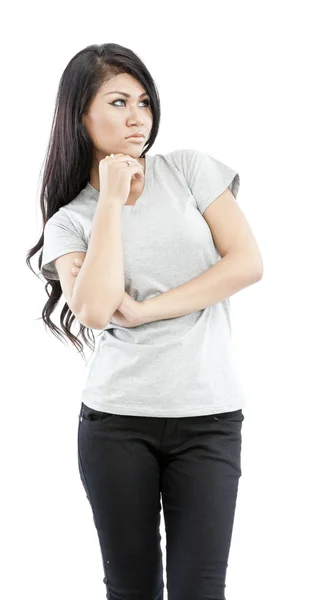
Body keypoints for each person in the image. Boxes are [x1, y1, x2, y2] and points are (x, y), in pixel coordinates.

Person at [27, 43, 263, 600]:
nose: (138, 118)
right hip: (116, 426)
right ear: (80, 117)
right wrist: (109, 201)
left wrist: (149, 309)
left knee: (199, 590)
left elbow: (247, 264)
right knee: (131, 590)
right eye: (118, 103)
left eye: (144, 103)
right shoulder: (70, 222)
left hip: (208, 418)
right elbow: (91, 308)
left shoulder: (187, 170)